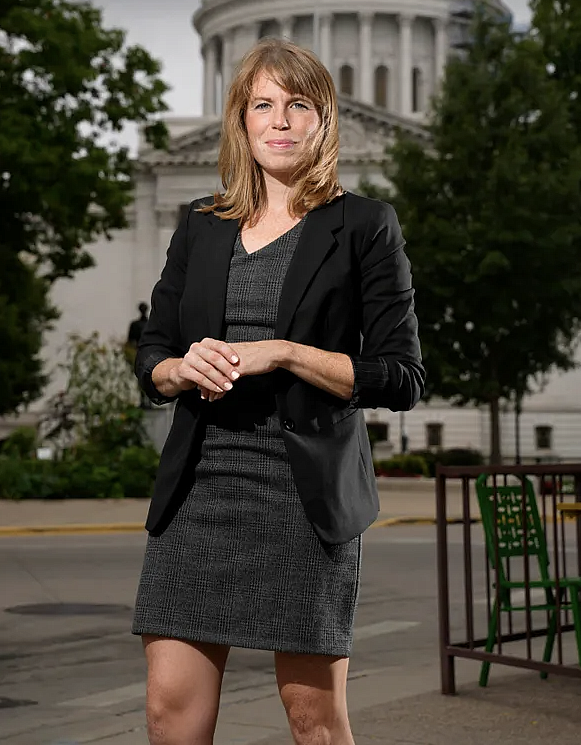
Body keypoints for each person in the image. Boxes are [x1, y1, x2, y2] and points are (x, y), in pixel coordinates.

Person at [132, 38, 425, 745]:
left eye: (298, 104)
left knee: (313, 719)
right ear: (240, 121)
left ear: (324, 121)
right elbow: (153, 351)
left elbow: (403, 377)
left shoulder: (363, 226)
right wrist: (179, 369)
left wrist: (289, 354)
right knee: (169, 708)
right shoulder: (201, 226)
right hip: (200, 492)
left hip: (303, 498)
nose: (280, 119)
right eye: (263, 104)